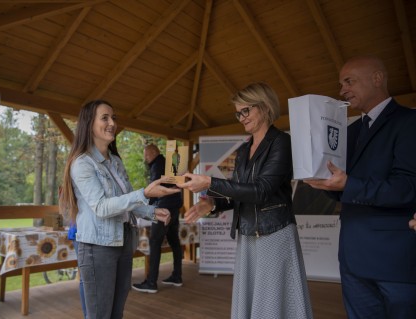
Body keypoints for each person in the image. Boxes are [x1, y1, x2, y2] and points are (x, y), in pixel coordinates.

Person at [177, 82, 313, 319]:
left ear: (264, 106)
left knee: (272, 303)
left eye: (246, 111)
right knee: (253, 303)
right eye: (238, 113)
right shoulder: (243, 150)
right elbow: (240, 193)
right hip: (248, 234)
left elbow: (261, 190)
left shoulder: (281, 142)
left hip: (275, 233)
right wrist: (213, 204)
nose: (241, 117)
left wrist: (210, 182)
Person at [304, 56, 416, 318]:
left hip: (394, 260)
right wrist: (322, 183)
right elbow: (346, 191)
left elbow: (408, 187)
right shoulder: (349, 132)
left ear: (377, 79)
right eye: (341, 84)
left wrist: (348, 183)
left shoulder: (409, 122)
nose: (342, 90)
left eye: (349, 81)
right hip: (352, 259)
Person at [58, 99, 180, 319]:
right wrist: (145, 194)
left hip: (123, 240)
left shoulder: (115, 161)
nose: (112, 122)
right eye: (105, 118)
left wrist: (153, 212)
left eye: (113, 117)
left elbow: (126, 201)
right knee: (100, 315)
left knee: (116, 313)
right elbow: (102, 208)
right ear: (89, 123)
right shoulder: (82, 163)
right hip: (97, 246)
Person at [132, 144, 183, 293]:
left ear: (154, 152)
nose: (145, 158)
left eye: (147, 155)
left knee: (154, 242)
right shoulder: (168, 163)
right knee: (174, 241)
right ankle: (177, 276)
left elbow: (154, 190)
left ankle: (151, 282)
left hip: (164, 208)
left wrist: (146, 208)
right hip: (174, 206)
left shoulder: (157, 165)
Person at [67, 222, 86, 319]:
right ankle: (88, 315)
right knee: (84, 277)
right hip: (81, 230)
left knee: (84, 277)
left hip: (83, 230)